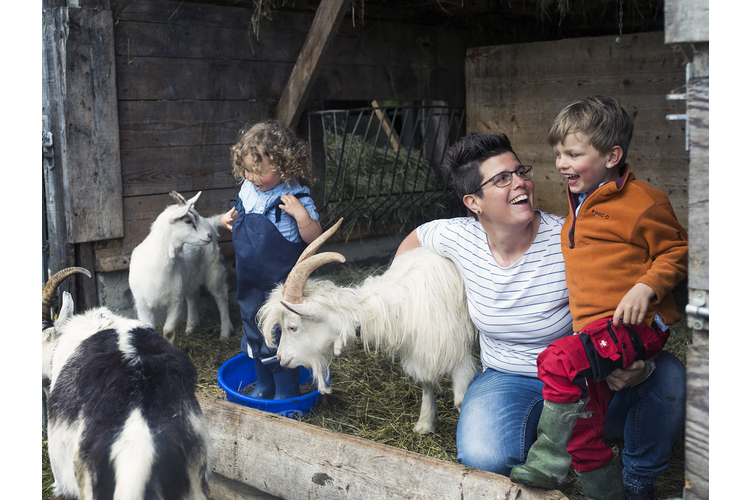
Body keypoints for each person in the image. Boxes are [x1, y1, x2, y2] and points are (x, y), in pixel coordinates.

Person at [395, 131, 686, 500]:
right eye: (502, 179)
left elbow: (628, 303)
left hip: (585, 378)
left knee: (669, 376)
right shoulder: (452, 235)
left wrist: (636, 362)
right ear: (473, 202)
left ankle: (635, 479)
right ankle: (557, 441)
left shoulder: (571, 239)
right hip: (507, 377)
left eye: (521, 171)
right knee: (483, 456)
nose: (520, 182)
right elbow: (409, 251)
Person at [508, 96, 688, 499]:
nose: (561, 163)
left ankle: (557, 463)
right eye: (557, 154)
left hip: (634, 326)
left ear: (612, 155)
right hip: (595, 335)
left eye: (573, 153)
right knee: (583, 417)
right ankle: (606, 489)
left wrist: (646, 286)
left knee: (555, 360)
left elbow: (677, 250)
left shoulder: (644, 202)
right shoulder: (578, 208)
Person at [221, 119, 322, 399]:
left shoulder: (295, 196)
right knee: (253, 332)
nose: (251, 177)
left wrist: (302, 216)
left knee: (278, 336)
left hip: (279, 286)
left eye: (259, 171)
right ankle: (265, 386)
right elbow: (243, 212)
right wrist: (230, 218)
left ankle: (286, 391)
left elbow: (314, 236)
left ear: (282, 166)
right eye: (246, 170)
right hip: (250, 281)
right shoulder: (247, 189)